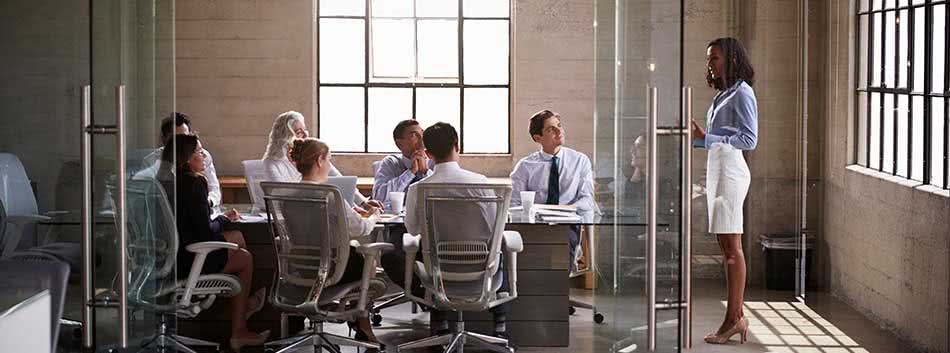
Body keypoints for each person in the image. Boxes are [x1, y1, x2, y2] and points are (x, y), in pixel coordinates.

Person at [158, 134, 269, 351]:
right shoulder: (194, 182)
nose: (204, 157)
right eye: (199, 152)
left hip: (168, 257)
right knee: (245, 258)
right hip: (188, 258)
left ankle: (241, 314)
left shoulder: (164, 182)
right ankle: (240, 325)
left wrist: (220, 220)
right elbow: (204, 232)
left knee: (237, 237)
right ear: (188, 158)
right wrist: (223, 219)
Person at [404, 122, 512, 341]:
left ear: (428, 152)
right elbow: (495, 226)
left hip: (438, 272)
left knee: (425, 248)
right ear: (457, 145)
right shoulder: (480, 182)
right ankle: (499, 323)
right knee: (500, 243)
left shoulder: (418, 188)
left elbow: (413, 229)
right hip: (481, 270)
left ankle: (441, 323)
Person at [287, 137, 383, 352]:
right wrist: (374, 215)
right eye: (329, 159)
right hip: (332, 269)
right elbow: (361, 228)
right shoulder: (330, 194)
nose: (330, 165)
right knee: (368, 260)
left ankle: (359, 323)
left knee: (356, 254)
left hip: (300, 268)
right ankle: (362, 322)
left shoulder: (287, 195)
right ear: (320, 160)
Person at [691, 37, 758, 345]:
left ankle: (733, 319)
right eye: (708, 59)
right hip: (719, 171)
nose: (710, 64)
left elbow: (749, 139)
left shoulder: (742, 93)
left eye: (714, 58)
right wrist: (699, 137)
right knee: (726, 244)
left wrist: (710, 136)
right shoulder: (723, 94)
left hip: (731, 172)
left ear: (731, 59)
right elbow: (717, 137)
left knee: (732, 246)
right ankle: (736, 317)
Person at [509, 109, 598, 271]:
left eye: (559, 126)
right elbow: (514, 204)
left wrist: (564, 210)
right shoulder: (525, 166)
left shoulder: (580, 161)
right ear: (538, 138)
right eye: (551, 129)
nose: (559, 131)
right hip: (535, 227)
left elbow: (587, 200)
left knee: (558, 263)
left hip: (566, 225)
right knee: (528, 265)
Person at [261, 111, 381, 208]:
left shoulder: (313, 154)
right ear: (285, 137)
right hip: (290, 216)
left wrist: (362, 202)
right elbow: (281, 196)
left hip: (317, 209)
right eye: (298, 132)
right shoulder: (272, 163)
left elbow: (340, 180)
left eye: (304, 129)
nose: (305, 135)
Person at [136, 112, 222, 206]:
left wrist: (205, 202)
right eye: (175, 139)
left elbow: (214, 189)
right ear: (164, 140)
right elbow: (144, 197)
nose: (181, 144)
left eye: (185, 138)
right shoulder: (151, 161)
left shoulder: (202, 156)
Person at [371, 119, 434, 209]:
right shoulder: (391, 162)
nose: (422, 140)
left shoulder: (433, 161)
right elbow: (379, 198)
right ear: (399, 144)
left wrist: (425, 171)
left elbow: (442, 192)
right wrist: (410, 172)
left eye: (422, 134)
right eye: (414, 135)